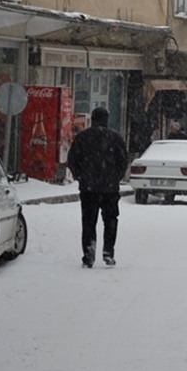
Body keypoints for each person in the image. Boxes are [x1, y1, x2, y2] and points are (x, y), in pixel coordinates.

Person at [67, 107, 129, 268]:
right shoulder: (115, 138)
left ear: (92, 119)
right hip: (109, 189)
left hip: (89, 189)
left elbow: (72, 159)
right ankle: (108, 251)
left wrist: (80, 177)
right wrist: (115, 178)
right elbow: (123, 161)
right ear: (106, 120)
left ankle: (89, 254)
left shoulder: (83, 137)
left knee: (88, 221)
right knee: (110, 220)